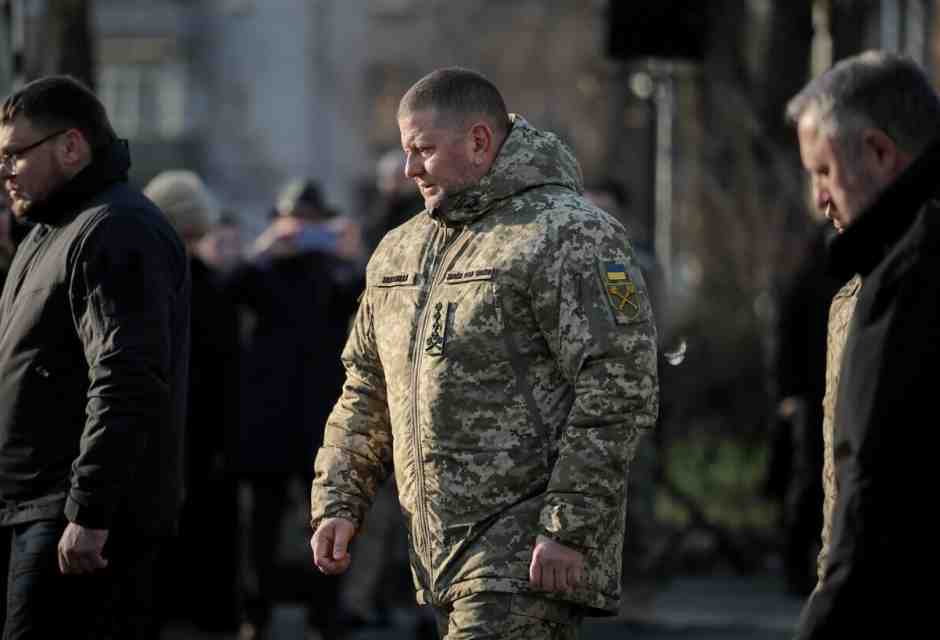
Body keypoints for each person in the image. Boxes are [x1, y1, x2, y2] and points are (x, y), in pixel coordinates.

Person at [309, 67, 659, 639]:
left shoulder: (567, 234)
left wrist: (568, 526)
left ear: (478, 141)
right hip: (438, 556)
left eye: (423, 149)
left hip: (523, 554)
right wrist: (339, 500)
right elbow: (365, 387)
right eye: (405, 151)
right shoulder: (398, 250)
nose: (409, 169)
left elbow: (619, 383)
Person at [0, 76, 190, 638]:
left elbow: (126, 378)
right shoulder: (50, 231)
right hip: (37, 508)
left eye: (16, 154)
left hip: (75, 519)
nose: (6, 170)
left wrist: (90, 510)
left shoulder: (115, 229)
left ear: (71, 147)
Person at [786, 51, 940, 636]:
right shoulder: (875, 270)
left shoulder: (910, 274)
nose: (820, 199)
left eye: (824, 172)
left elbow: (876, 478)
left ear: (879, 151)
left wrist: (826, 618)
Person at [227, 178, 363, 637]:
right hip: (267, 419)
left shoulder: (335, 272)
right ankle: (255, 611)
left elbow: (368, 300)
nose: (302, 231)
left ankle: (326, 611)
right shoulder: (261, 271)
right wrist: (264, 250)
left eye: (311, 223)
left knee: (327, 518)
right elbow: (226, 290)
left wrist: (351, 254)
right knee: (260, 525)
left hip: (320, 419)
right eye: (294, 221)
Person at [143, 170, 241, 632]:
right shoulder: (209, 286)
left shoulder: (142, 282)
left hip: (153, 440)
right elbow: (228, 372)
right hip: (205, 444)